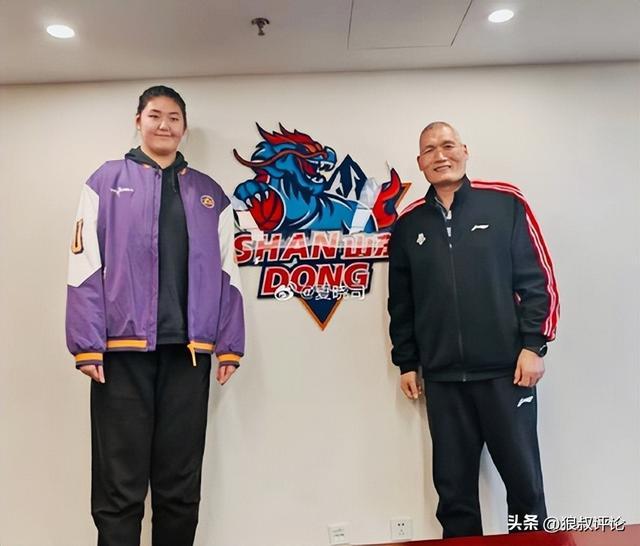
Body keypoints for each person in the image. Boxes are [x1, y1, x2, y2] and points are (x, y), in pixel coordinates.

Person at [66, 85, 245, 546]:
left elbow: (229, 272)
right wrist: (86, 343)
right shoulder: (104, 181)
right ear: (138, 121)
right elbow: (84, 264)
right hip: (121, 355)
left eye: (173, 118)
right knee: (119, 486)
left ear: (184, 127)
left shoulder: (209, 193)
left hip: (189, 354)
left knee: (179, 485)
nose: (164, 125)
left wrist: (229, 344)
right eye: (154, 115)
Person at [387, 122, 559, 538]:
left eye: (447, 145)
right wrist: (407, 362)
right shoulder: (408, 224)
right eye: (430, 150)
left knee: (524, 487)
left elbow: (538, 282)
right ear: (420, 163)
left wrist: (534, 346)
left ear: (465, 151)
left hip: (507, 374)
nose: (440, 155)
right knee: (454, 496)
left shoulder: (504, 203)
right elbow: (401, 301)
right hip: (443, 380)